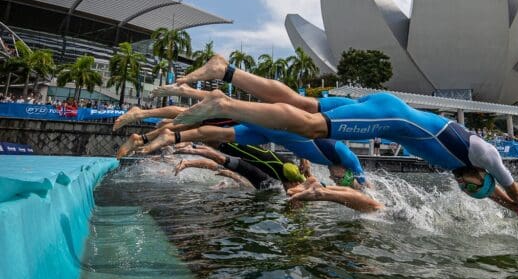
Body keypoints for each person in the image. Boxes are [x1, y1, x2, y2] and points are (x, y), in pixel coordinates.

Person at [167, 55, 518, 231]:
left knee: (302, 104)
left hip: (385, 113)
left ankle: (227, 71)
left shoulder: (461, 168)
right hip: (389, 116)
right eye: (471, 186)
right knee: (313, 127)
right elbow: (507, 182)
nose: (463, 187)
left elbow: (490, 191)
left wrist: (509, 209)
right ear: (481, 174)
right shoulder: (480, 153)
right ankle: (226, 103)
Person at [116, 85, 368, 189]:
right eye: (339, 179)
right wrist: (361, 186)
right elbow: (360, 178)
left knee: (206, 122)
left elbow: (307, 161)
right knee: (219, 108)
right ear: (343, 172)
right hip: (275, 127)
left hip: (265, 134)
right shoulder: (344, 155)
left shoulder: (327, 156)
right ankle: (179, 98)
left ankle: (148, 137)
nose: (334, 179)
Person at [173, 144, 383, 213]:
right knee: (226, 165)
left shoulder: (288, 177)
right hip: (259, 173)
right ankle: (194, 152)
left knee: (225, 164)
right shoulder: (289, 179)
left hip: (260, 172)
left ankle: (194, 151)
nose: (331, 174)